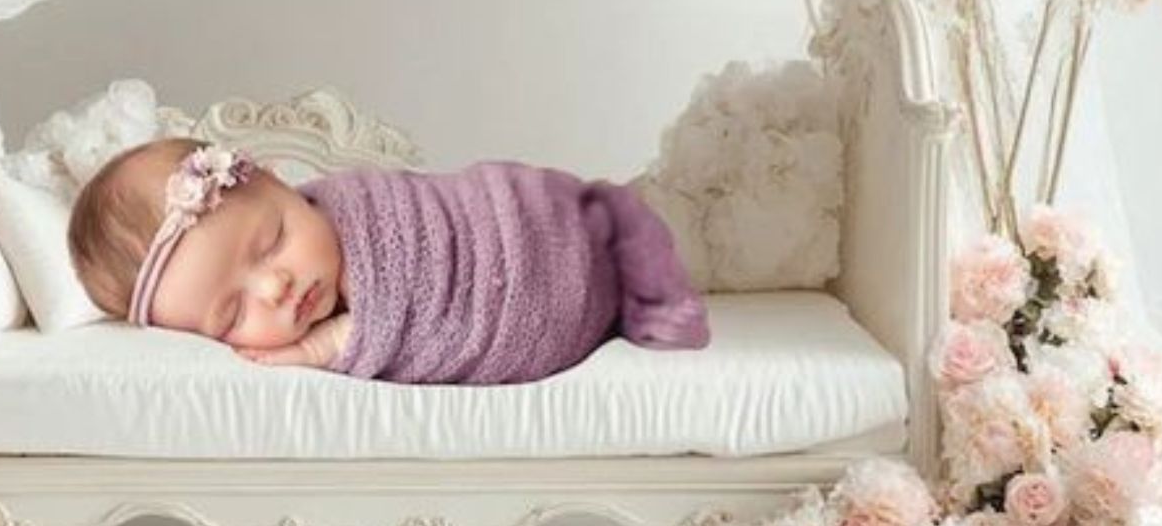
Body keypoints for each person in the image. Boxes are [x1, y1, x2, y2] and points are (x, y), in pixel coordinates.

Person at [67, 138, 709, 385]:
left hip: (538, 230)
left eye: (271, 241)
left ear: (284, 185)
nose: (276, 285)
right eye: (233, 312)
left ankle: (625, 254)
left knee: (606, 219)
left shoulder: (357, 207)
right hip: (533, 316)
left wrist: (323, 347)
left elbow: (424, 238)